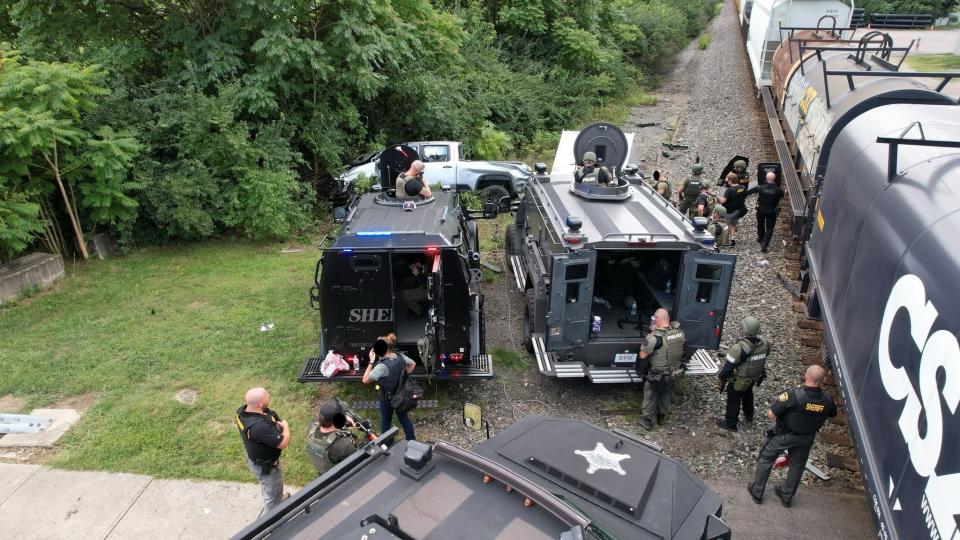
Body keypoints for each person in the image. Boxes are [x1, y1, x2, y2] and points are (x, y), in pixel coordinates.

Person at [748, 365, 837, 507]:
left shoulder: (792, 395)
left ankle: (757, 491)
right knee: (797, 466)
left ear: (806, 376)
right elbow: (832, 413)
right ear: (823, 381)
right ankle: (787, 495)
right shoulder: (828, 400)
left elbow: (771, 415)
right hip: (806, 438)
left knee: (766, 459)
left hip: (784, 435)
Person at [235, 387, 290, 514]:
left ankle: (278, 498)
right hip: (267, 467)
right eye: (267, 398)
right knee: (272, 494)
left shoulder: (242, 412)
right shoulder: (259, 427)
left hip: (257, 460)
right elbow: (283, 443)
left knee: (271, 489)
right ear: (259, 404)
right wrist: (286, 427)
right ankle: (273, 520)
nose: (268, 398)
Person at [715, 316, 772, 432]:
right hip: (754, 377)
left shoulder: (739, 348)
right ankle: (749, 414)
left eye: (742, 328)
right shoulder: (765, 343)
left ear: (746, 331)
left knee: (733, 399)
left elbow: (727, 368)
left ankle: (730, 423)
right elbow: (766, 355)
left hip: (739, 380)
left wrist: (720, 376)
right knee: (748, 394)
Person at [635, 308, 686, 430]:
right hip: (673, 372)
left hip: (657, 374)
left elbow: (642, 355)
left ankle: (646, 420)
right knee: (665, 394)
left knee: (650, 395)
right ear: (668, 319)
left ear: (657, 319)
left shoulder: (654, 338)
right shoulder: (680, 333)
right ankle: (661, 417)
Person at [362, 334, 416, 442]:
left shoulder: (381, 367)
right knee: (404, 419)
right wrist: (403, 376)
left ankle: (388, 444)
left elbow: (365, 380)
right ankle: (412, 441)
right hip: (401, 395)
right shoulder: (399, 356)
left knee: (385, 422)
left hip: (387, 398)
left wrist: (371, 362)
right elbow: (413, 364)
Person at [305, 399, 358, 476]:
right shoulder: (344, 445)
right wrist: (350, 432)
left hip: (322, 475)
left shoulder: (311, 428)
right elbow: (357, 460)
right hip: (340, 480)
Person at [755, 172, 784, 253]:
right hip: (771, 211)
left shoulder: (760, 188)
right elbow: (781, 195)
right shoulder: (778, 189)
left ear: (766, 178)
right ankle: (765, 242)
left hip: (760, 209)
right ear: (774, 179)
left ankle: (760, 238)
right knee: (769, 228)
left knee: (760, 224)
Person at [719, 172, 747, 246]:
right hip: (739, 210)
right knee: (733, 224)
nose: (727, 182)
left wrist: (716, 196)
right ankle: (733, 239)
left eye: (728, 180)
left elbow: (723, 201)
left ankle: (725, 241)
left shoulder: (729, 190)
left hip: (729, 211)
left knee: (727, 225)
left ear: (731, 181)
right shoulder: (743, 188)